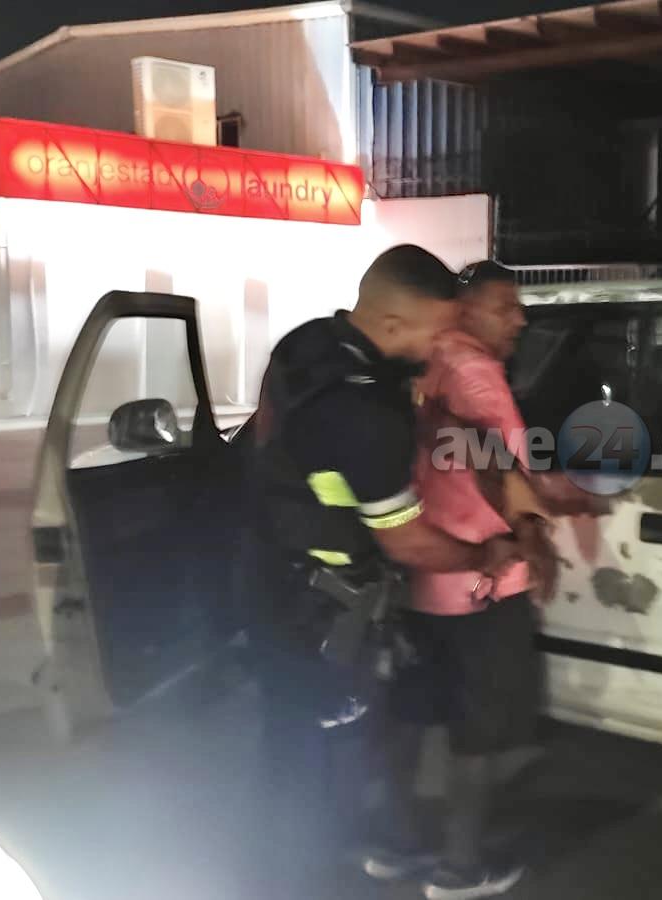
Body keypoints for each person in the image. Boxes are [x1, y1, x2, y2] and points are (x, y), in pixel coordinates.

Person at [243, 245, 523, 896]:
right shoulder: (364, 417)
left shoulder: (308, 345)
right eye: (436, 331)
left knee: (294, 742)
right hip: (318, 608)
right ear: (393, 324)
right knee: (324, 754)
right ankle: (300, 878)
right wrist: (485, 556)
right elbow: (409, 544)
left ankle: (325, 858)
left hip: (272, 578)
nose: (442, 345)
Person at [363, 261, 555, 900]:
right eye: (505, 307)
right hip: (480, 584)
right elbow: (499, 458)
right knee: (478, 732)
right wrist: (530, 529)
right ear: (465, 310)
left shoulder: (415, 364)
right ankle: (459, 868)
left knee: (411, 716)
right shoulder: (475, 372)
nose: (519, 319)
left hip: (417, 576)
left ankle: (393, 846)